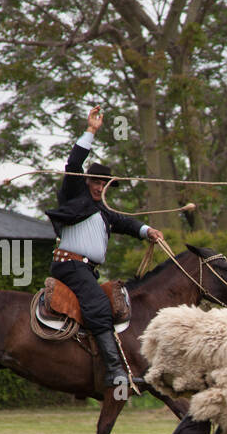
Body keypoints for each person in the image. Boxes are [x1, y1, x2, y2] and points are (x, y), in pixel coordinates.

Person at [45, 105, 163, 392]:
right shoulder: (74, 195)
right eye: (96, 182)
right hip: (69, 266)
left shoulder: (104, 211)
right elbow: (73, 165)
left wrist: (148, 231)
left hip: (85, 270)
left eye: (104, 184)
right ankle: (114, 370)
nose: (99, 187)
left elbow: (125, 223)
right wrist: (91, 131)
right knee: (98, 305)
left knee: (110, 303)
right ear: (87, 181)